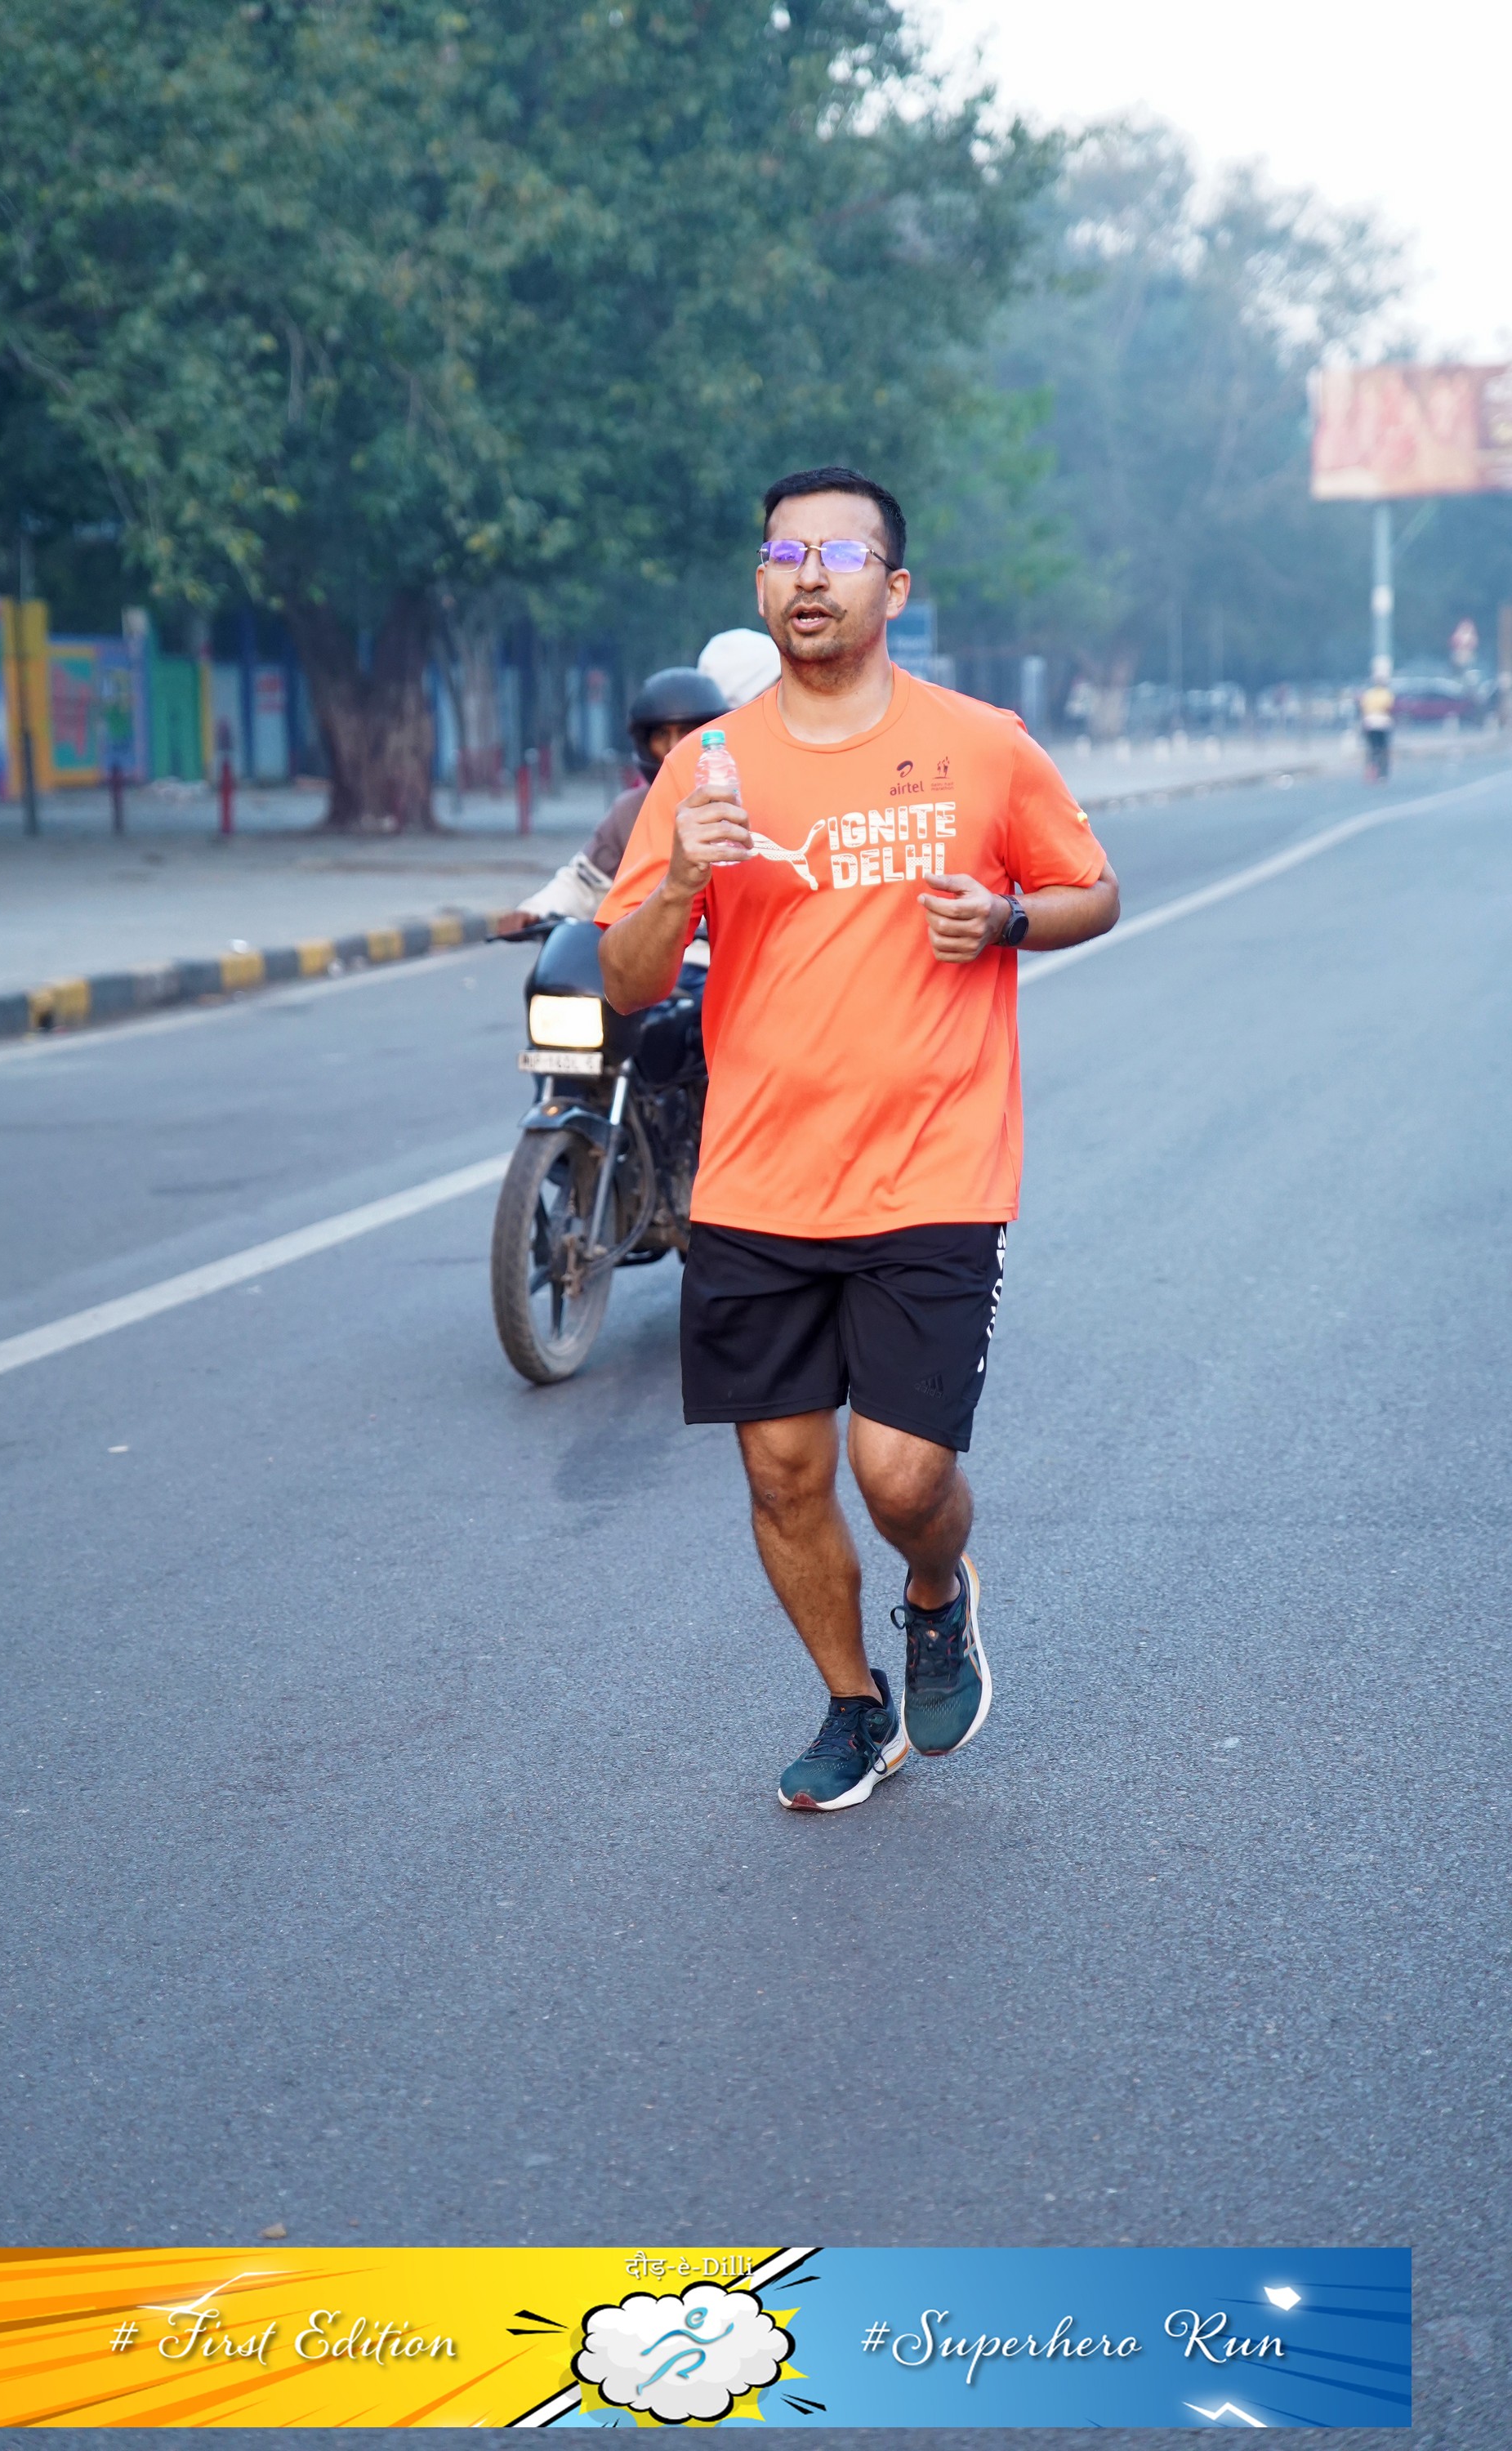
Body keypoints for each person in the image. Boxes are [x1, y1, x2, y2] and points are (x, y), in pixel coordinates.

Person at [596, 464, 1119, 1811]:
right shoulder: (706, 768)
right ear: (761, 586)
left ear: (895, 588)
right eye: (786, 554)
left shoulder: (983, 745)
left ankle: (936, 1591)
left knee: (900, 1474)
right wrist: (687, 873)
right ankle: (851, 1706)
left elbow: (1092, 889)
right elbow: (627, 980)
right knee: (782, 1472)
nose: (810, 576)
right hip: (756, 1177)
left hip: (932, 1168)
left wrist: (1005, 920)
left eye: (840, 554)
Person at [515, 666, 728, 922]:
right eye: (662, 734)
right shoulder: (630, 812)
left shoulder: (735, 802)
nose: (674, 747)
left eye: (687, 732)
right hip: (649, 943)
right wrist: (532, 910)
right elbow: (584, 882)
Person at [1359, 663, 1394, 782]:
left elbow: (1363, 709)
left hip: (1370, 723)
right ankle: (1383, 774)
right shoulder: (1387, 693)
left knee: (1372, 750)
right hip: (1383, 723)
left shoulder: (1368, 694)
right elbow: (1389, 708)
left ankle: (1371, 772)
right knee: (1383, 749)